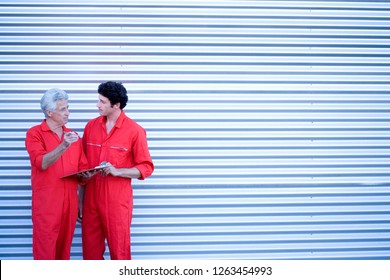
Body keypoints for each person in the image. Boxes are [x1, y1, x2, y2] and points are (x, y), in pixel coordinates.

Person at [79, 81, 154, 260]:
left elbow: (146, 167)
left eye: (103, 102)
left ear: (116, 105)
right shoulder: (91, 127)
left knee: (119, 254)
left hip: (117, 202)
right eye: (98, 100)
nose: (98, 105)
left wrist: (118, 171)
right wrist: (80, 201)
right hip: (91, 201)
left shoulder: (134, 131)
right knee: (90, 255)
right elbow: (82, 167)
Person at [25, 88, 90, 260]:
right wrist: (63, 145)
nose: (67, 113)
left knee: (63, 254)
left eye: (68, 108)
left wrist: (91, 174)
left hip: (69, 205)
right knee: (45, 253)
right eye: (63, 109)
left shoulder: (73, 135)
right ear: (49, 112)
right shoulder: (35, 134)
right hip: (47, 205)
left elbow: (82, 172)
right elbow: (41, 163)